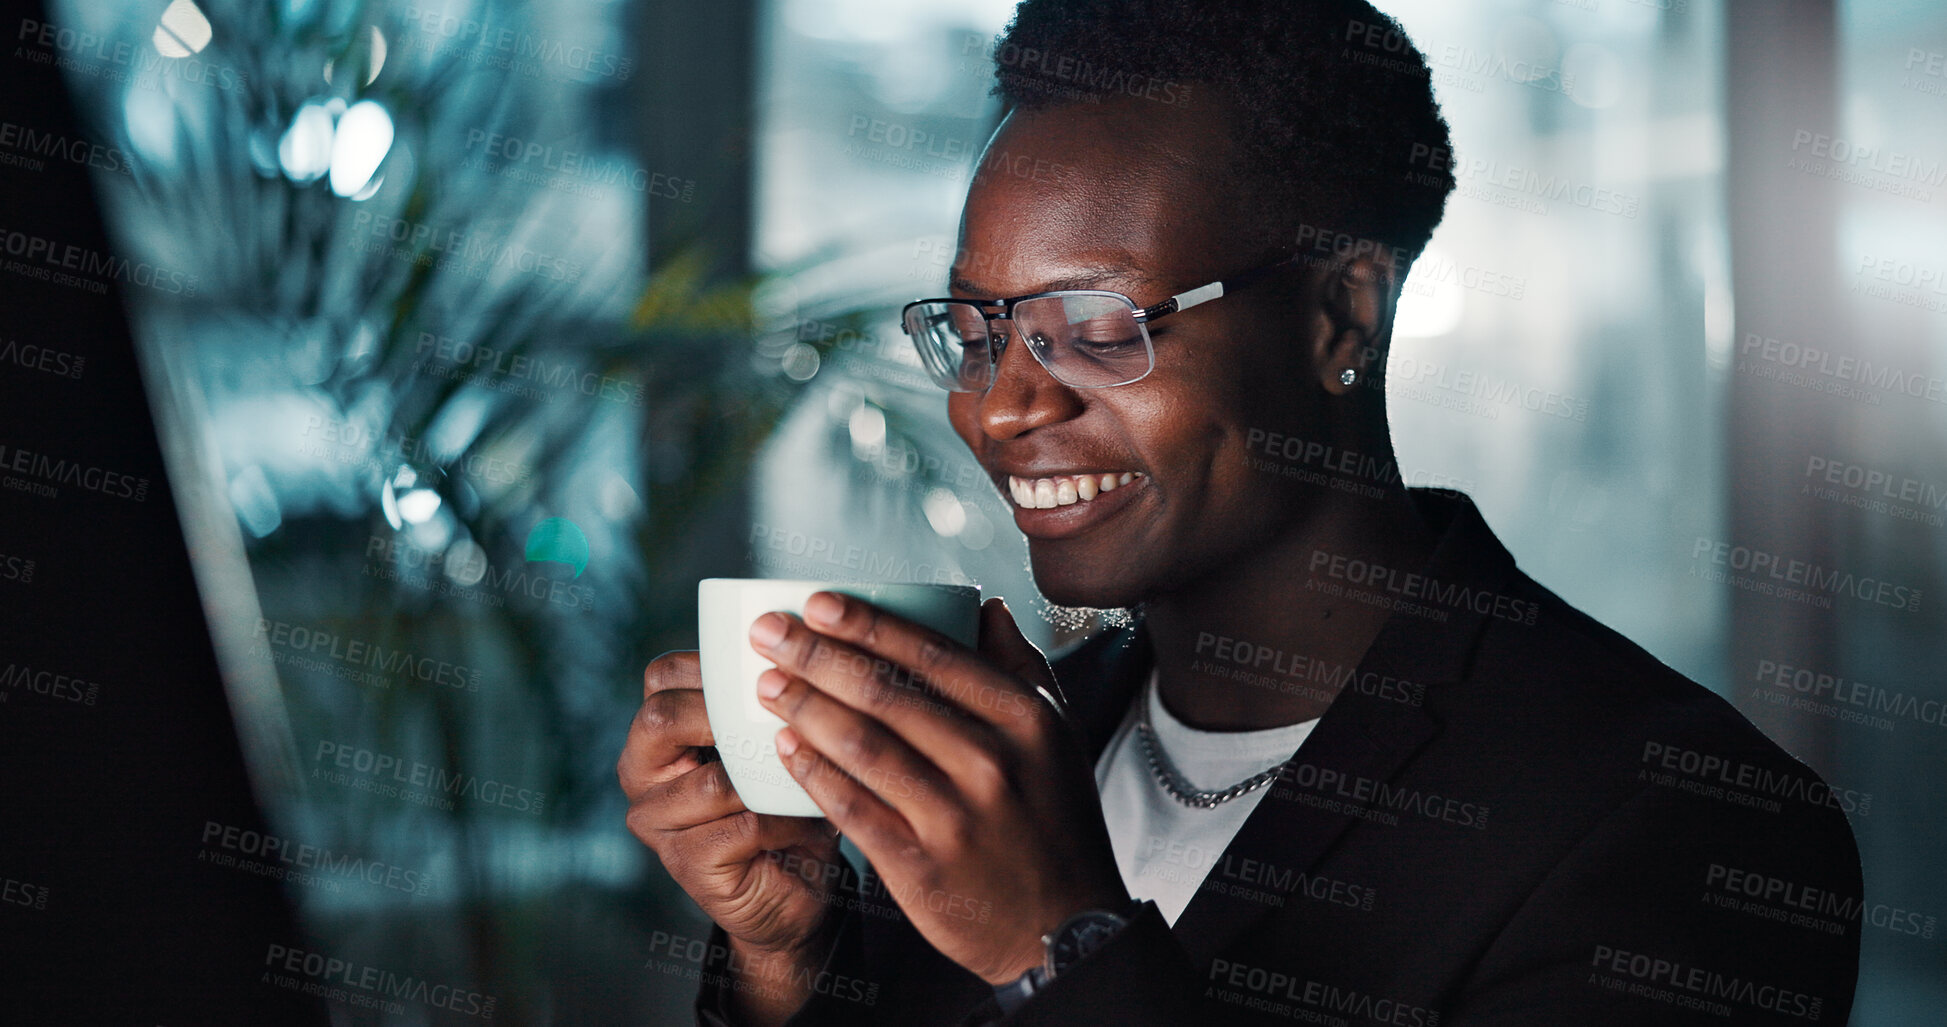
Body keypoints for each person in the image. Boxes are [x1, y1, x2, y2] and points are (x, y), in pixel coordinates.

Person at [618, 1, 1863, 1023]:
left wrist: (1064, 946)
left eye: (1097, 327)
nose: (999, 411)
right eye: (981, 328)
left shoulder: (1681, 822)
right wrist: (791, 961)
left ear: (1343, 317)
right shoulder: (1022, 744)